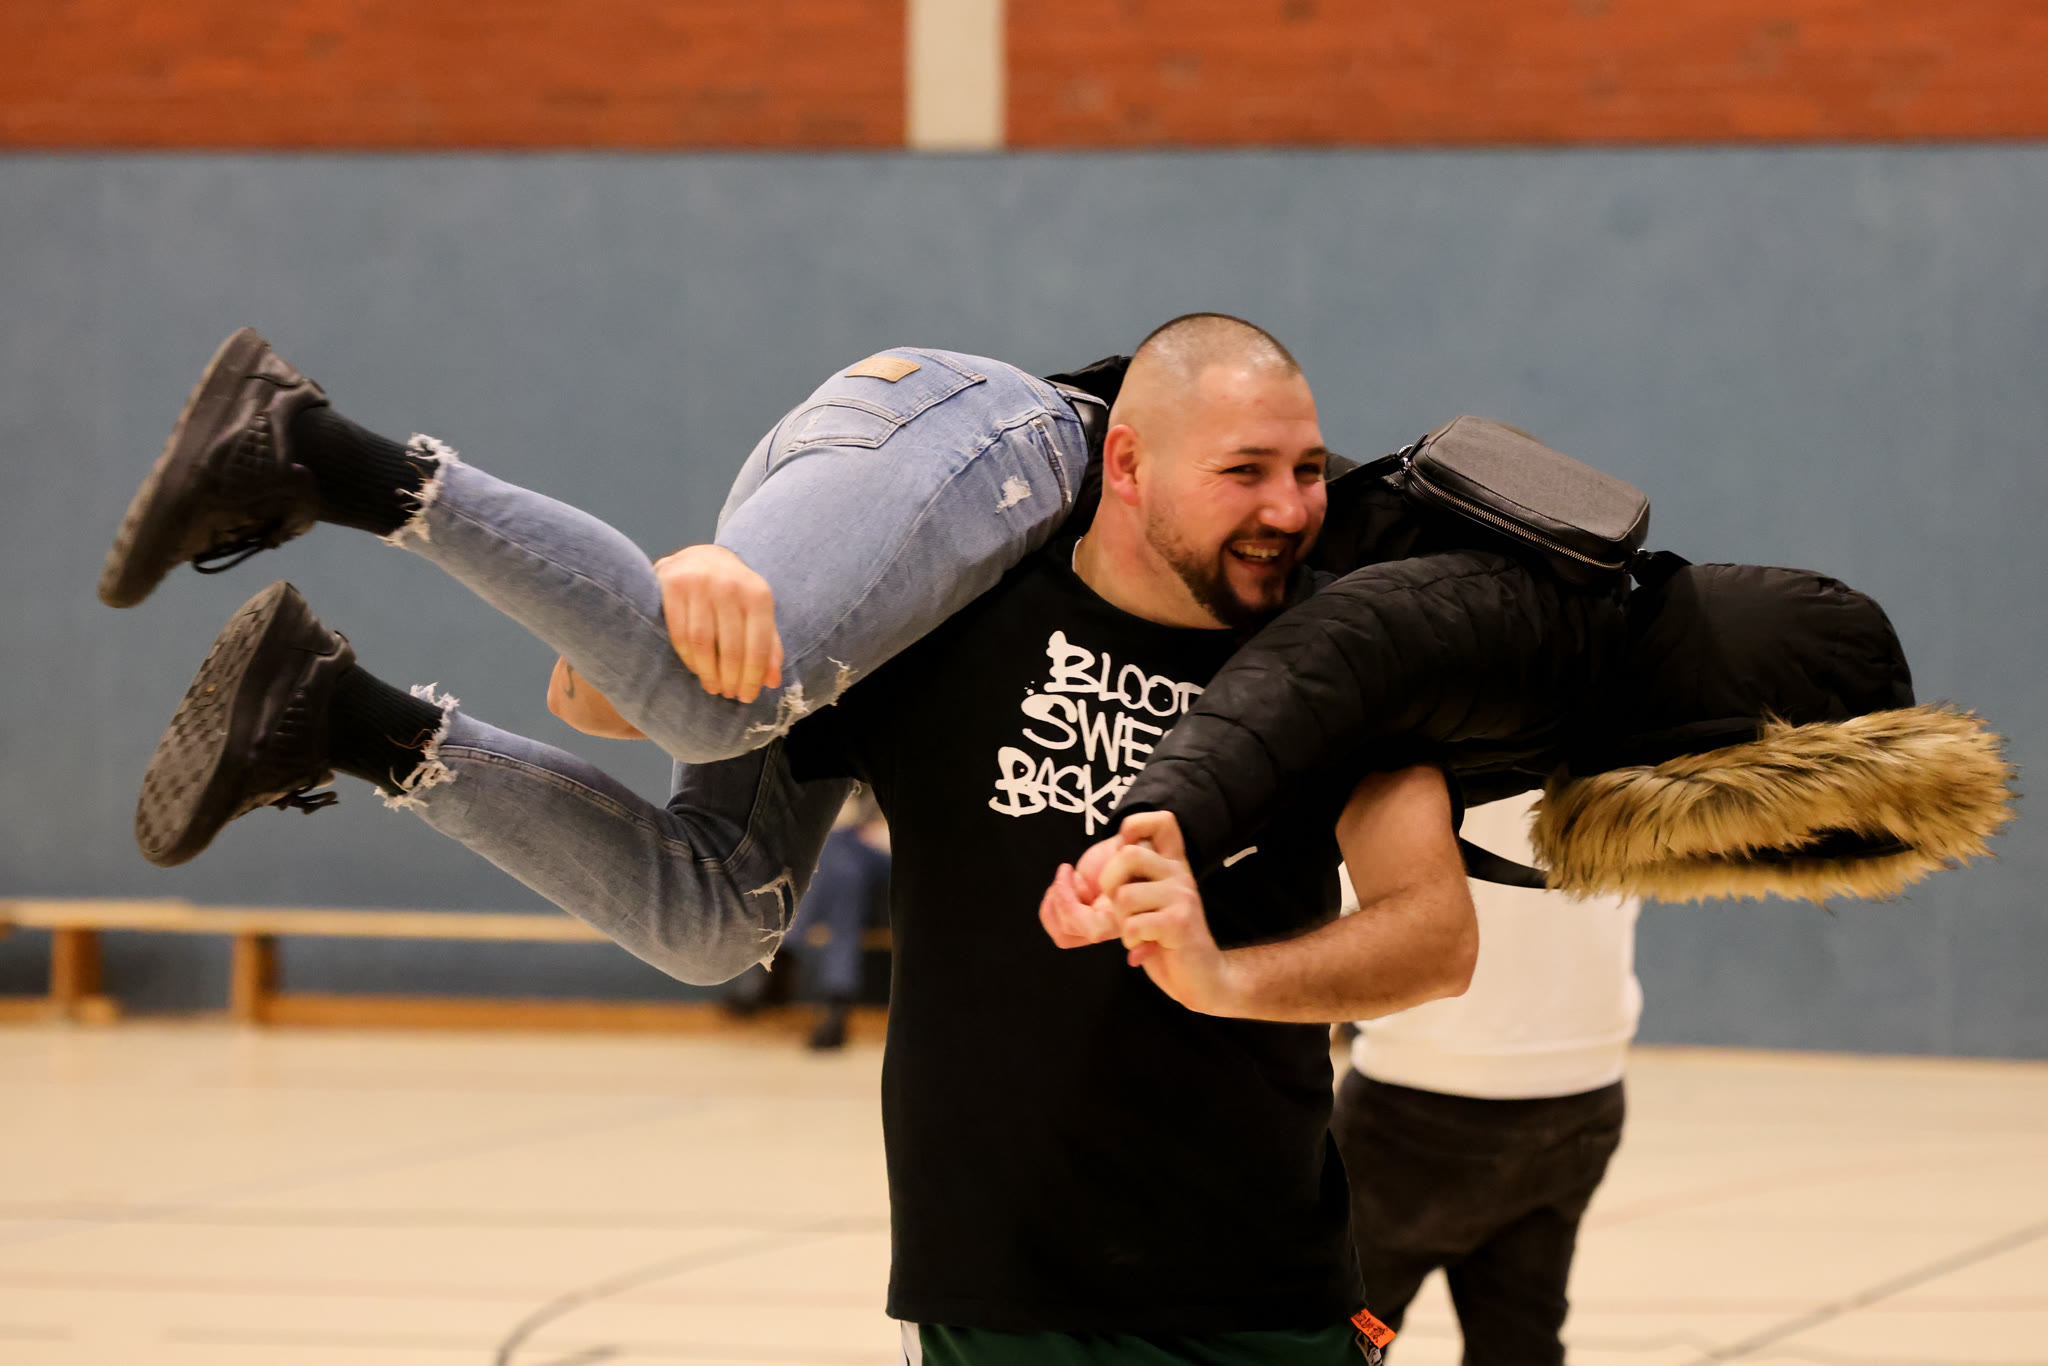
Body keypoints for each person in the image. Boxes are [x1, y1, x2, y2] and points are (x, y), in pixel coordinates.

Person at [109, 314, 1478, 1363]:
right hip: (967, 437)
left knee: (713, 915)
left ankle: (339, 716)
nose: (1291, 505)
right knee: (713, 688)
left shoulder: (1335, 649)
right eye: (1248, 470)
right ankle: (318, 448)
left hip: (1261, 1292)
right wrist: (693, 587)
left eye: (1308, 470)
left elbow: (1436, 930)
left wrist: (1223, 973)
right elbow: (604, 690)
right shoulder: (991, 590)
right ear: (1137, 464)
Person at [1332, 791, 1638, 1365]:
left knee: (1348, 1331)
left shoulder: (1404, 736)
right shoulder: (1635, 736)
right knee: (1517, 1337)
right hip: (1579, 1095)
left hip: (1419, 1104)